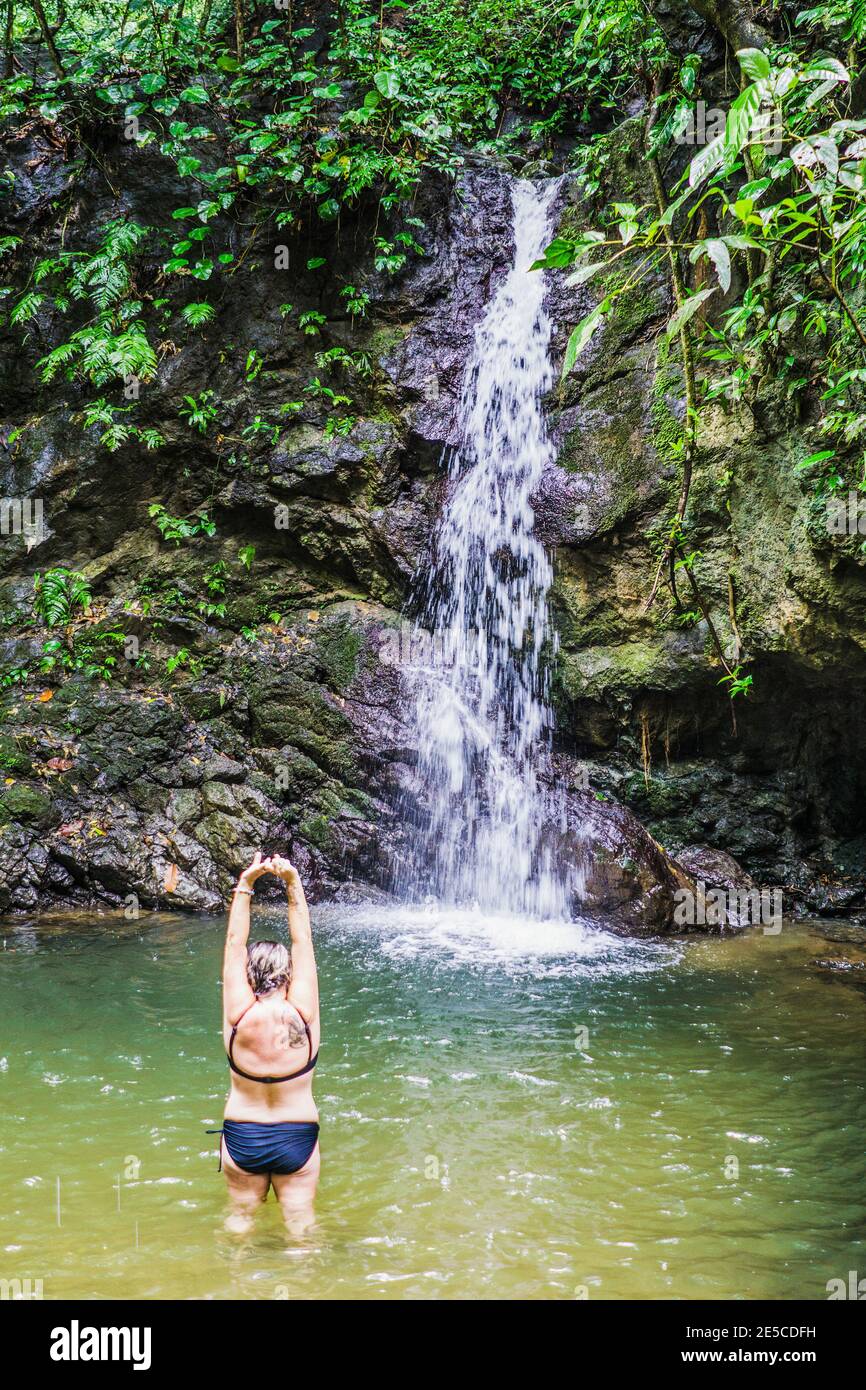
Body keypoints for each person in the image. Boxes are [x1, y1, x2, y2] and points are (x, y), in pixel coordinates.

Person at [215, 853, 320, 1234]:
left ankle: (233, 1283)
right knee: (301, 1223)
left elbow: (233, 942)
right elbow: (302, 939)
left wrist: (247, 883)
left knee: (239, 1222)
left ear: (246, 976)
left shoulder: (237, 1015)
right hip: (298, 1134)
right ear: (288, 974)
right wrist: (293, 883)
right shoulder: (304, 1015)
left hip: (244, 1132)